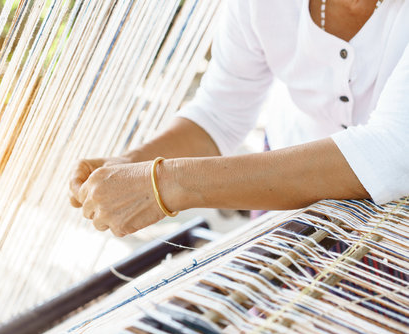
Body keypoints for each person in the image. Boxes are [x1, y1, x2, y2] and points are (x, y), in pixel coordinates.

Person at [69, 0, 409, 238]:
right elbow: (219, 112)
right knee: (272, 333)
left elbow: (390, 152)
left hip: (398, 220)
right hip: (287, 207)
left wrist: (167, 184)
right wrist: (130, 164)